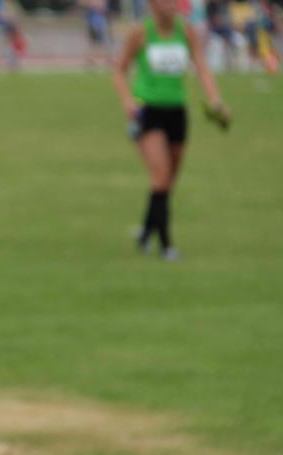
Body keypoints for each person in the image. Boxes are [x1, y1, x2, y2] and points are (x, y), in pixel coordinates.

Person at [113, 0, 228, 260]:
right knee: (161, 177)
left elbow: (201, 67)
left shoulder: (186, 31)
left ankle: (146, 231)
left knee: (167, 182)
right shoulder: (141, 33)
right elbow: (119, 70)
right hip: (148, 112)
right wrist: (128, 101)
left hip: (177, 112)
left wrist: (215, 100)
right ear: (153, 5)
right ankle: (166, 246)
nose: (171, 5)